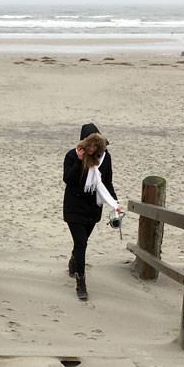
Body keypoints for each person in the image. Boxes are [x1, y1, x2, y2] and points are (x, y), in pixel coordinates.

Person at [62, 122, 122, 301]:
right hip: (74, 207)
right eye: (89, 144)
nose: (92, 148)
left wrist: (114, 203)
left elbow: (107, 182)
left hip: (93, 208)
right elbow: (68, 180)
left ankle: (74, 259)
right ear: (83, 143)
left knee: (82, 242)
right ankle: (81, 283)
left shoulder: (105, 158)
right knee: (82, 243)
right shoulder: (72, 156)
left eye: (96, 144)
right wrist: (79, 162)